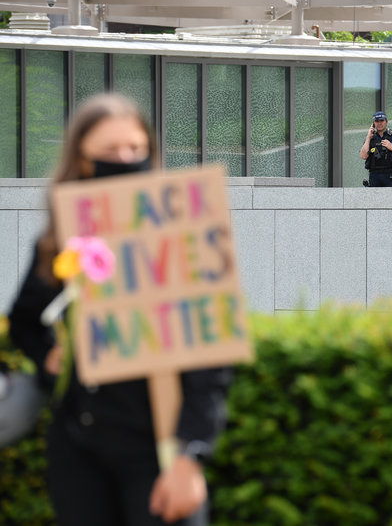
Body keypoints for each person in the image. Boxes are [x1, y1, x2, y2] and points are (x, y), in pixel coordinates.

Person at [8, 93, 231, 526]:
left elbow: (211, 358)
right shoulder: (60, 238)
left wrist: (191, 455)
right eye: (109, 152)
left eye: (135, 149)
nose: (125, 159)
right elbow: (24, 320)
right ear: (81, 159)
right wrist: (50, 355)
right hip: (80, 450)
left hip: (159, 450)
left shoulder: (180, 236)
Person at [360, 111, 392, 187]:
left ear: (386, 122)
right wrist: (368, 137)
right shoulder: (370, 139)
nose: (379, 123)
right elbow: (363, 156)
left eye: (382, 121)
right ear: (373, 124)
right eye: (377, 121)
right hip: (374, 176)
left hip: (391, 176)